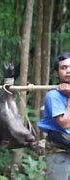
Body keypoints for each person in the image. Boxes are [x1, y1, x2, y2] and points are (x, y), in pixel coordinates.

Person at [38, 52, 70, 180]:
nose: (68, 71)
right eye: (63, 68)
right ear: (57, 73)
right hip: (60, 154)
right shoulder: (53, 96)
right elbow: (66, 123)